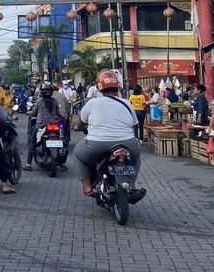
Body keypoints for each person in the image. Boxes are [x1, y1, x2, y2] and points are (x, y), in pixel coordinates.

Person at [73, 71, 143, 202]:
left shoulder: (92, 103)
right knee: (136, 157)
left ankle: (88, 187)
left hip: (98, 144)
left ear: (99, 87)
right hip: (128, 143)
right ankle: (132, 186)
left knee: (77, 155)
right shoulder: (127, 103)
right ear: (117, 86)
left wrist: (77, 128)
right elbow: (135, 124)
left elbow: (81, 123)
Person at [24, 81, 64, 171]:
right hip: (55, 124)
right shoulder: (55, 101)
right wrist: (61, 118)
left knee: (32, 142)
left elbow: (33, 113)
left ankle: (28, 163)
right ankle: (61, 162)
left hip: (41, 126)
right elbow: (58, 113)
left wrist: (28, 112)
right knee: (62, 138)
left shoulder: (39, 102)